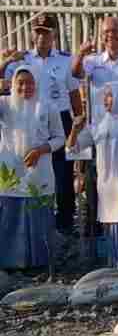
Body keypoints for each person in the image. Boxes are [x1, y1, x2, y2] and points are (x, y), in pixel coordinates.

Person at [1, 14, 81, 234]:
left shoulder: (65, 60)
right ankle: (28, 223)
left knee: (63, 174)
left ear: (54, 34)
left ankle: (64, 224)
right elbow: (4, 83)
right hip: (26, 120)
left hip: (60, 119)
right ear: (32, 33)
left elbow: (74, 93)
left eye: (46, 32)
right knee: (27, 170)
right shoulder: (21, 60)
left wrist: (78, 122)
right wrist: (6, 60)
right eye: (38, 31)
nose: (41, 36)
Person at [0, 66, 64, 269]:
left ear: (36, 84)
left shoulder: (47, 106)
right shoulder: (4, 104)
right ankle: (11, 263)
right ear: (13, 84)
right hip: (11, 171)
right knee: (10, 216)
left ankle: (39, 264)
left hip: (40, 170)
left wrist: (41, 150)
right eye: (20, 82)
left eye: (30, 82)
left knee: (39, 218)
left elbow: (60, 138)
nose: (25, 87)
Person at [67, 82, 118, 267]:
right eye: (105, 95)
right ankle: (115, 267)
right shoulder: (97, 125)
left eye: (110, 95)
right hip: (106, 186)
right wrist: (75, 129)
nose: (106, 100)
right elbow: (72, 150)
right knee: (110, 225)